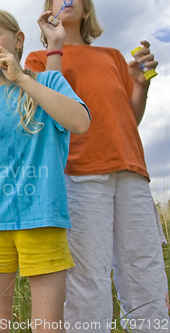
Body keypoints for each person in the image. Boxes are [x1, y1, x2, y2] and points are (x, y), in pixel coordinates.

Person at [25, 1, 170, 331]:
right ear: (47, 11)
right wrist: (55, 47)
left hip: (130, 168)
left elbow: (130, 118)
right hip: (78, 171)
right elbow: (51, 110)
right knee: (87, 274)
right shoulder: (37, 59)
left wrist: (141, 85)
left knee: (145, 267)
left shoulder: (112, 56)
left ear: (87, 10)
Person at [0, 9, 90, 332]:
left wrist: (20, 78)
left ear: (18, 41)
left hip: (43, 217)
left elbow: (80, 122)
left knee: (46, 325)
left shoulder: (47, 82)